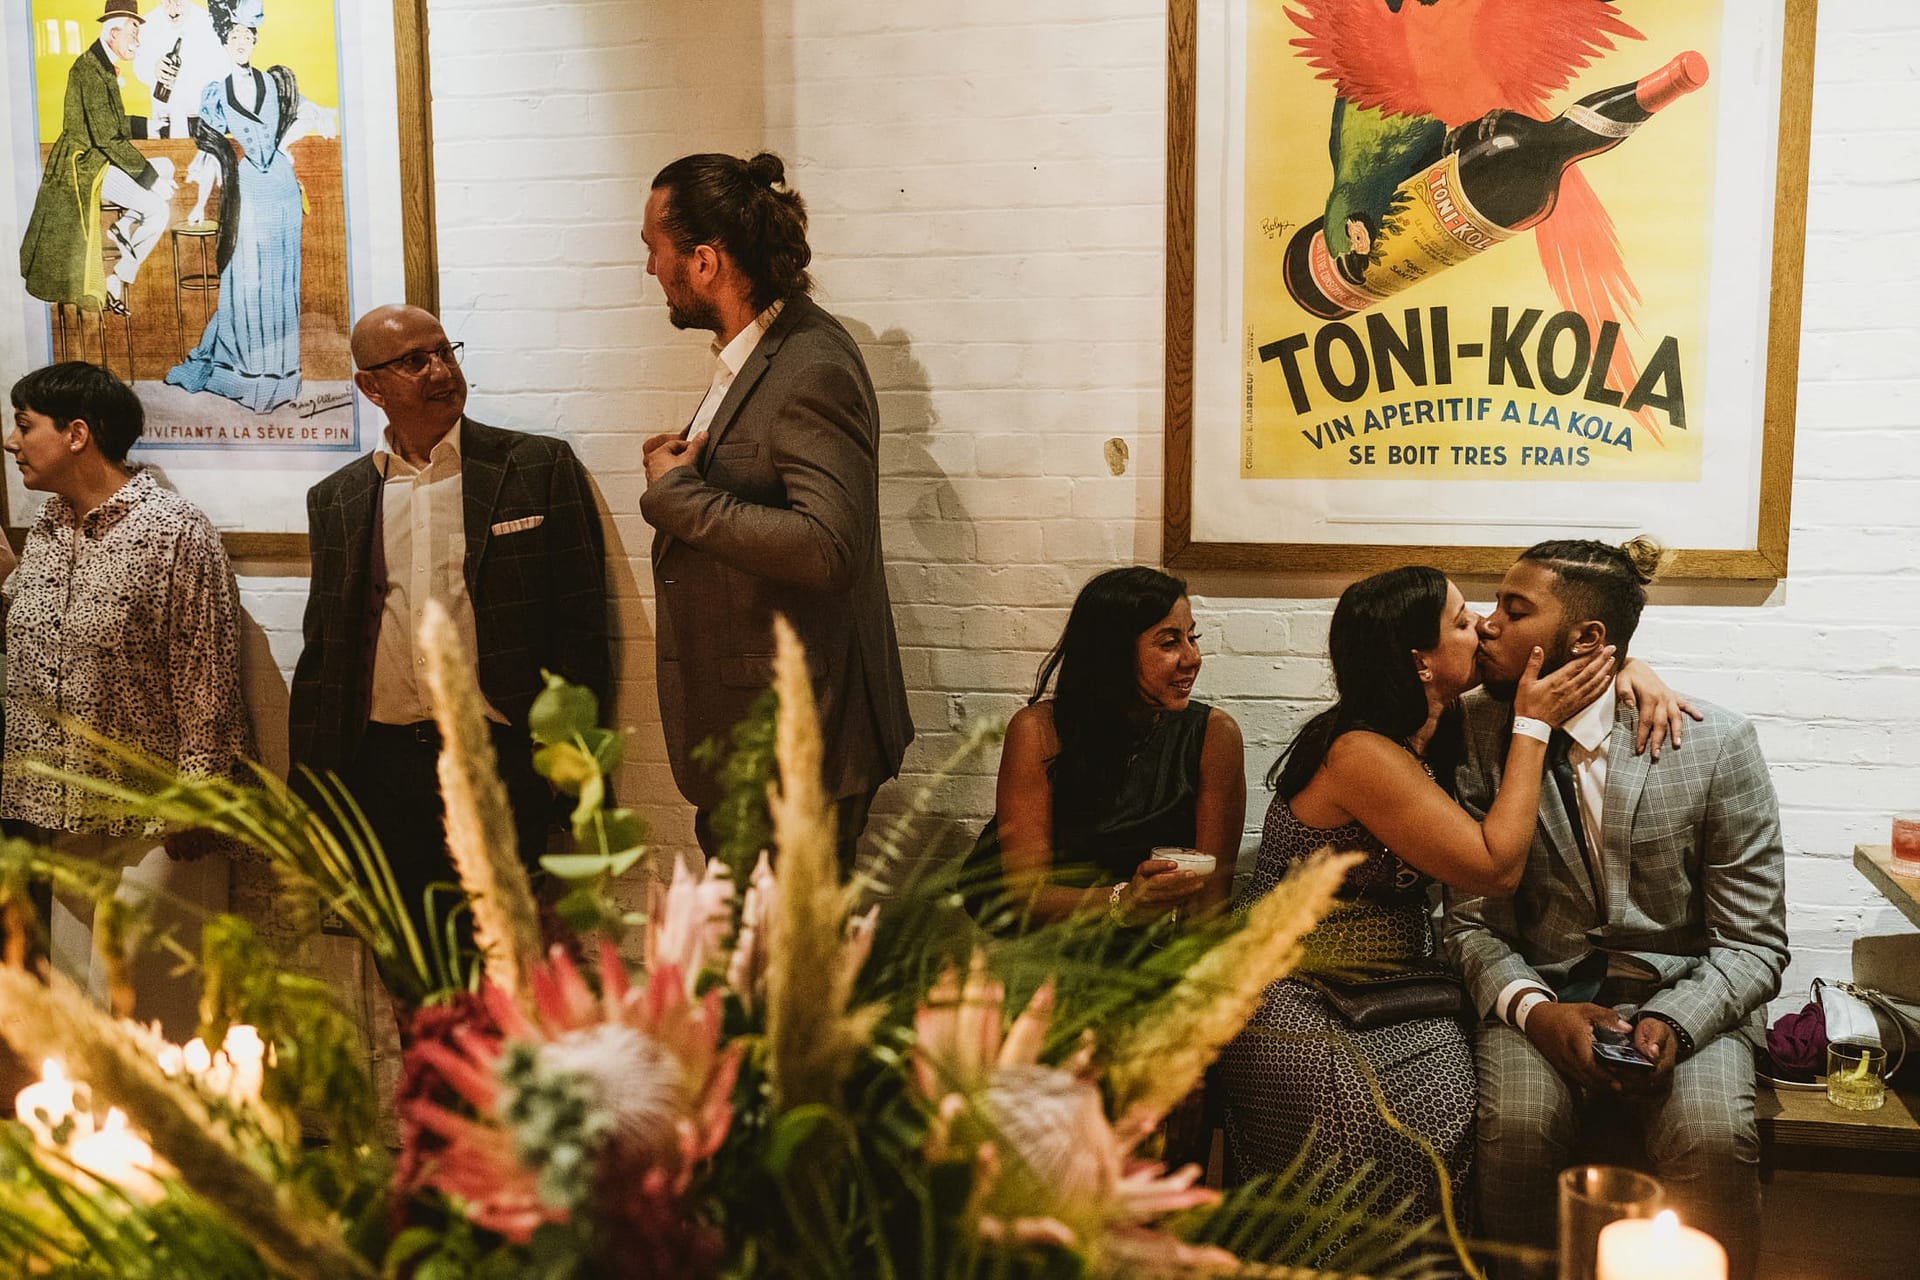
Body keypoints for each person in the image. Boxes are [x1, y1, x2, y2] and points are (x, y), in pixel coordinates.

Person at [1217, 565, 1624, 1244]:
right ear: (1420, 662)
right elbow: (1495, 868)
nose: (1484, 626)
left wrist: (1632, 675)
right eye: (1462, 622)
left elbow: (1583, 673)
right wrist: (1532, 726)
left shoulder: (1436, 723)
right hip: (1298, 982)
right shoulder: (1359, 753)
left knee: (1451, 1106)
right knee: (1370, 1128)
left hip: (1400, 982)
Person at [1443, 538, 1787, 1280]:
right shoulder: (1474, 731)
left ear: (1587, 638)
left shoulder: (1716, 744)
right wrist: (1539, 1012)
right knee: (1516, 1128)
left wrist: (1676, 1022)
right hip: (1542, 991)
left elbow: (1754, 942)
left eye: (1514, 609)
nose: (1488, 623)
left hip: (1687, 994)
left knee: (1713, 1138)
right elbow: (1470, 923)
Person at [288, 305, 609, 953]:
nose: (441, 371)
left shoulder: (535, 468)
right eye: (415, 361)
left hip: (500, 761)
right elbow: (325, 652)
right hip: (380, 771)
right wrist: (313, 788)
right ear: (371, 387)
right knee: (406, 963)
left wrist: (568, 763)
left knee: (505, 961)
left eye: (445, 352)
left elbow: (580, 627)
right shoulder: (339, 498)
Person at [638, 150, 912, 868]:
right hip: (759, 739)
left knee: (780, 947)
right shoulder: (762, 353)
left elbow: (829, 547)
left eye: (654, 250)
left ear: (704, 262)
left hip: (796, 746)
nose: (650, 269)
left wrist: (678, 495)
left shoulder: (810, 364)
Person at [1, 363, 252, 1041]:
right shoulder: (50, 526)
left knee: (153, 1016)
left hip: (155, 819)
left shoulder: (175, 530)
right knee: (82, 1016)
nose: (12, 442)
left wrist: (198, 798)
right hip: (63, 809)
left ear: (77, 433)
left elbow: (206, 671)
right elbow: (40, 635)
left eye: (24, 425)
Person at [969, 566, 1245, 930]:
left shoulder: (1214, 735)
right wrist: (1124, 899)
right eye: (1169, 643)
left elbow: (1211, 901)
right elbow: (1025, 896)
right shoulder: (1038, 730)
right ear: (1113, 652)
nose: (1192, 657)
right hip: (1053, 942)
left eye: (1192, 638)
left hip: (1160, 946)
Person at [165, 0, 336, 413]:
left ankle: (279, 376)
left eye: (247, 36)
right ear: (225, 43)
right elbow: (211, 152)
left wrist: (285, 144)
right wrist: (199, 206)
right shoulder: (216, 92)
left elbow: (310, 114)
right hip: (246, 190)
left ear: (255, 41)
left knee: (280, 280)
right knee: (247, 279)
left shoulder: (275, 83)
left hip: (281, 187)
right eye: (235, 37)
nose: (241, 43)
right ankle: (245, 373)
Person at [19, 0, 176, 316]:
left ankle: (124, 226)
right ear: (113, 32)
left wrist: (151, 126)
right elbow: (106, 138)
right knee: (159, 208)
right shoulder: (89, 70)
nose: (138, 41)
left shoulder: (102, 64)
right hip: (89, 166)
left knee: (167, 165)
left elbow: (111, 123)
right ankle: (119, 278)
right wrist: (150, 181)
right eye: (133, 31)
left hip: (102, 157)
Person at [132, 0, 224, 142]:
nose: (172, 11)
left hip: (199, 118)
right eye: (166, 3)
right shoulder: (147, 24)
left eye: (178, 3)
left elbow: (223, 70)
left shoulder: (209, 23)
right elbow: (138, 67)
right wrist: (153, 70)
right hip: (164, 117)